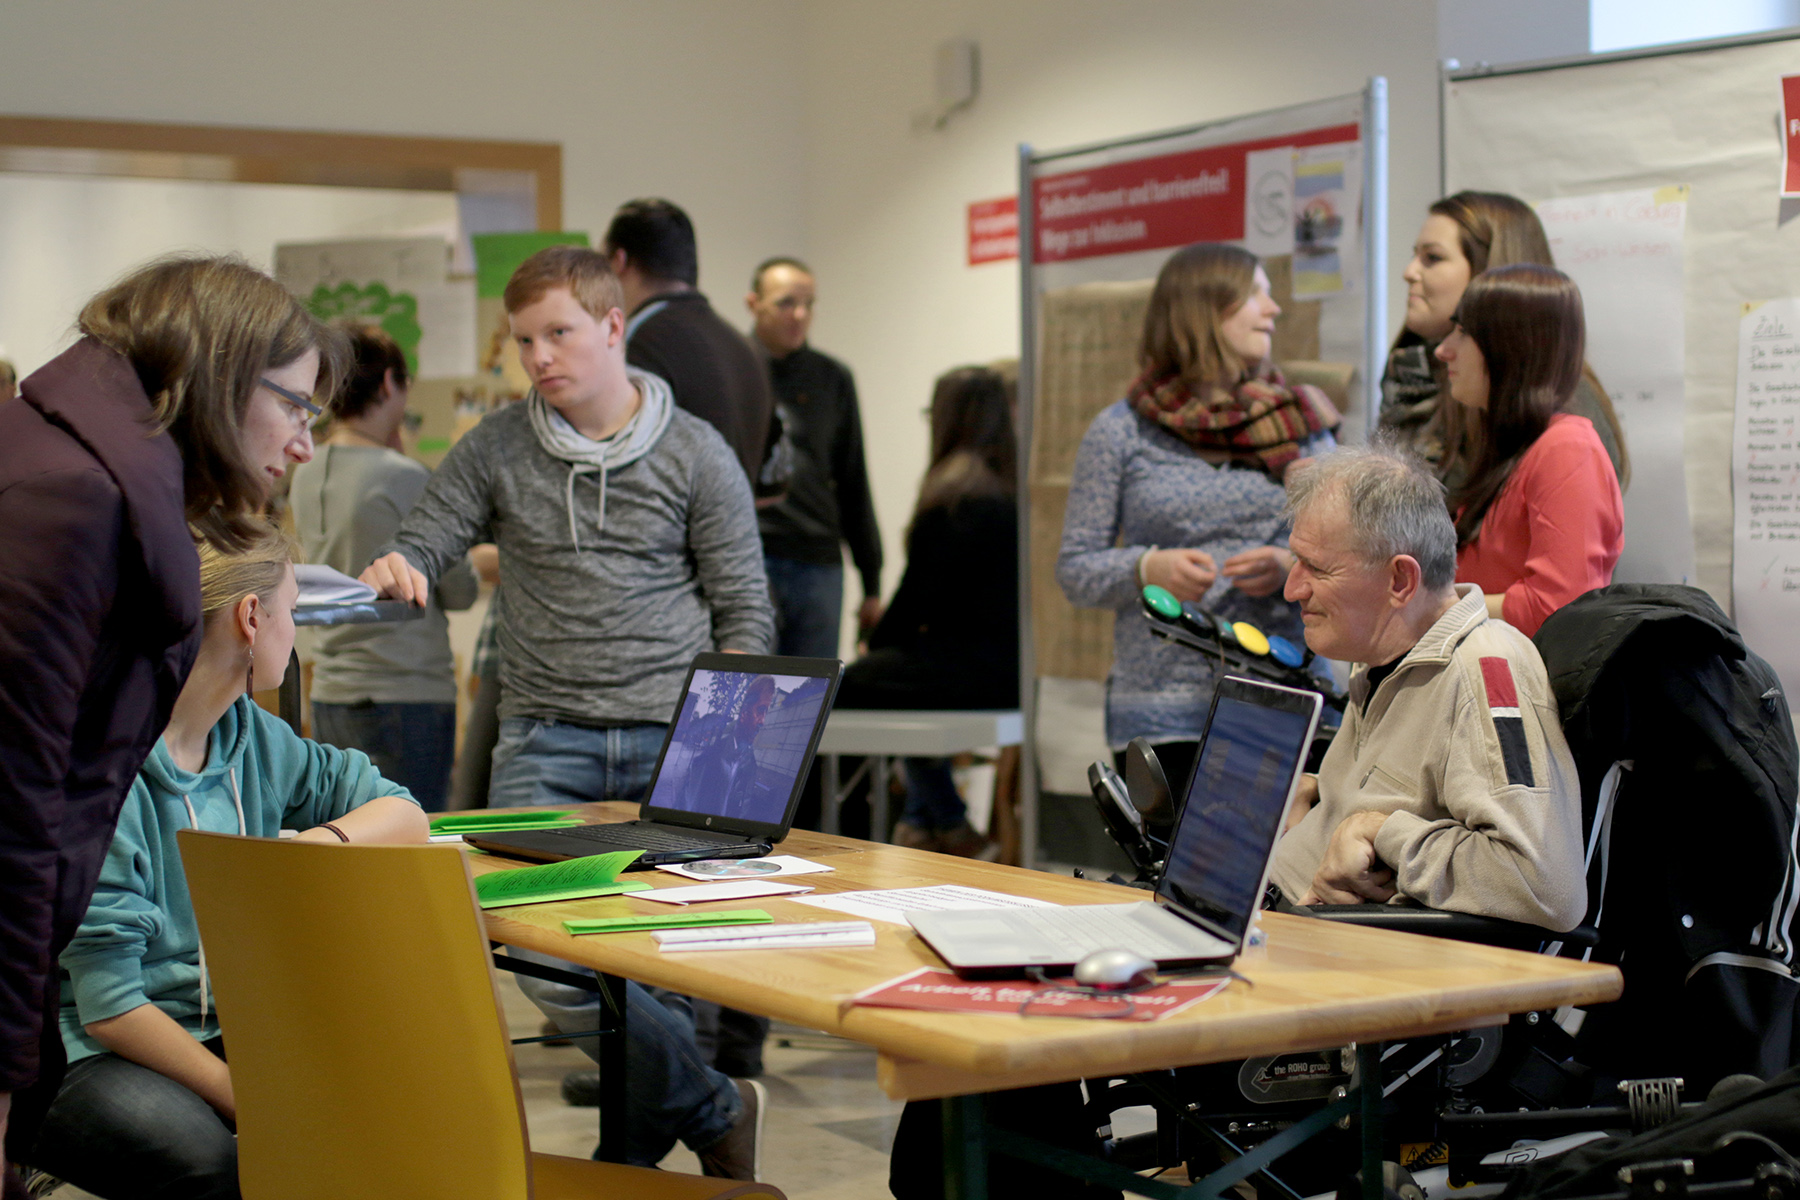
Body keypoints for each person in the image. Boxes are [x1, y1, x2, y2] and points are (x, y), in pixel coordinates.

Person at [358, 245, 770, 1178]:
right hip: (546, 739)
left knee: (674, 956)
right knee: (546, 958)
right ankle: (714, 1110)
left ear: (614, 327)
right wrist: (402, 565)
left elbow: (744, 607)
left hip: (679, 741)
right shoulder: (499, 445)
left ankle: (632, 1145)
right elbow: (427, 536)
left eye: (559, 333)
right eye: (524, 341)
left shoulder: (695, 450)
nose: (539, 357)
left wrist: (734, 744)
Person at [0, 255, 342, 1194]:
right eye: (298, 407)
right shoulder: (83, 496)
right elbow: (25, 810)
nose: (305, 443)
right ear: (227, 375)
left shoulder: (87, 460)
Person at [22, 525, 429, 1200]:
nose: (292, 630)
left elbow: (404, 811)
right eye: (292, 611)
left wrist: (307, 850)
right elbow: (111, 1008)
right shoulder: (104, 772)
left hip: (221, 1026)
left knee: (392, 1113)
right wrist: (243, 1094)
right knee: (213, 1163)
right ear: (250, 618)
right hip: (89, 1051)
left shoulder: (254, 739)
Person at [1269, 445, 1587, 931]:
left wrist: (1380, 830)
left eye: (1317, 568)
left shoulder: (1484, 670)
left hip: (1332, 965)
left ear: (1400, 579)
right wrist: (1314, 791)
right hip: (1277, 926)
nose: (1293, 589)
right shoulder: (1380, 658)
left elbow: (1544, 886)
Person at [1057, 242, 1338, 786]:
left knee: (1295, 871)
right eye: (1255, 293)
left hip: (1284, 695)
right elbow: (1075, 570)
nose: (1273, 309)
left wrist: (1289, 566)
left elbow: (1348, 552)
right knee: (1179, 871)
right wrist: (1146, 569)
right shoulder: (1120, 430)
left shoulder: (1300, 423)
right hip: (1162, 710)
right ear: (1203, 311)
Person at [289, 325, 479, 811]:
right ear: (391, 382)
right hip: (405, 692)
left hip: (331, 687)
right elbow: (460, 592)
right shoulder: (403, 475)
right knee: (411, 842)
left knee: (353, 834)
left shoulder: (305, 470)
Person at [837, 366, 1018, 858]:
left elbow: (914, 601)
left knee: (842, 684)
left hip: (963, 670)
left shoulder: (955, 501)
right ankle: (927, 821)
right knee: (897, 680)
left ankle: (854, 835)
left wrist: (874, 641)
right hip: (1008, 672)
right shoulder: (1012, 497)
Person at [1381, 190, 1628, 491]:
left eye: (1432, 258)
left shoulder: (1557, 399)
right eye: (1414, 255)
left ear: (1492, 275)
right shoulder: (1412, 370)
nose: (1409, 272)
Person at [1434, 265, 1624, 637]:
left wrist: (1435, 607)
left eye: (1464, 332)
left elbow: (1559, 607)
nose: (1444, 351)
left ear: (1509, 345)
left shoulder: (1567, 449)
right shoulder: (1512, 447)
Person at [747, 257, 884, 658]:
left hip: (818, 560)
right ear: (753, 303)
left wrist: (871, 581)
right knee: (744, 703)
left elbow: (853, 477)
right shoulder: (732, 368)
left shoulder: (832, 377)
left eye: (809, 304)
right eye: (786, 303)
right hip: (752, 558)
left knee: (805, 706)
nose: (800, 315)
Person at [604, 198, 774, 483]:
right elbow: (774, 481)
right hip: (738, 525)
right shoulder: (746, 346)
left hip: (675, 527)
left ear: (619, 262)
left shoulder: (639, 343)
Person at [687, 675, 776, 819]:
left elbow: (742, 813)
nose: (763, 721)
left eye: (766, 713)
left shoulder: (750, 764)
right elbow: (688, 809)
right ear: (744, 711)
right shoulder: (709, 757)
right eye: (760, 711)